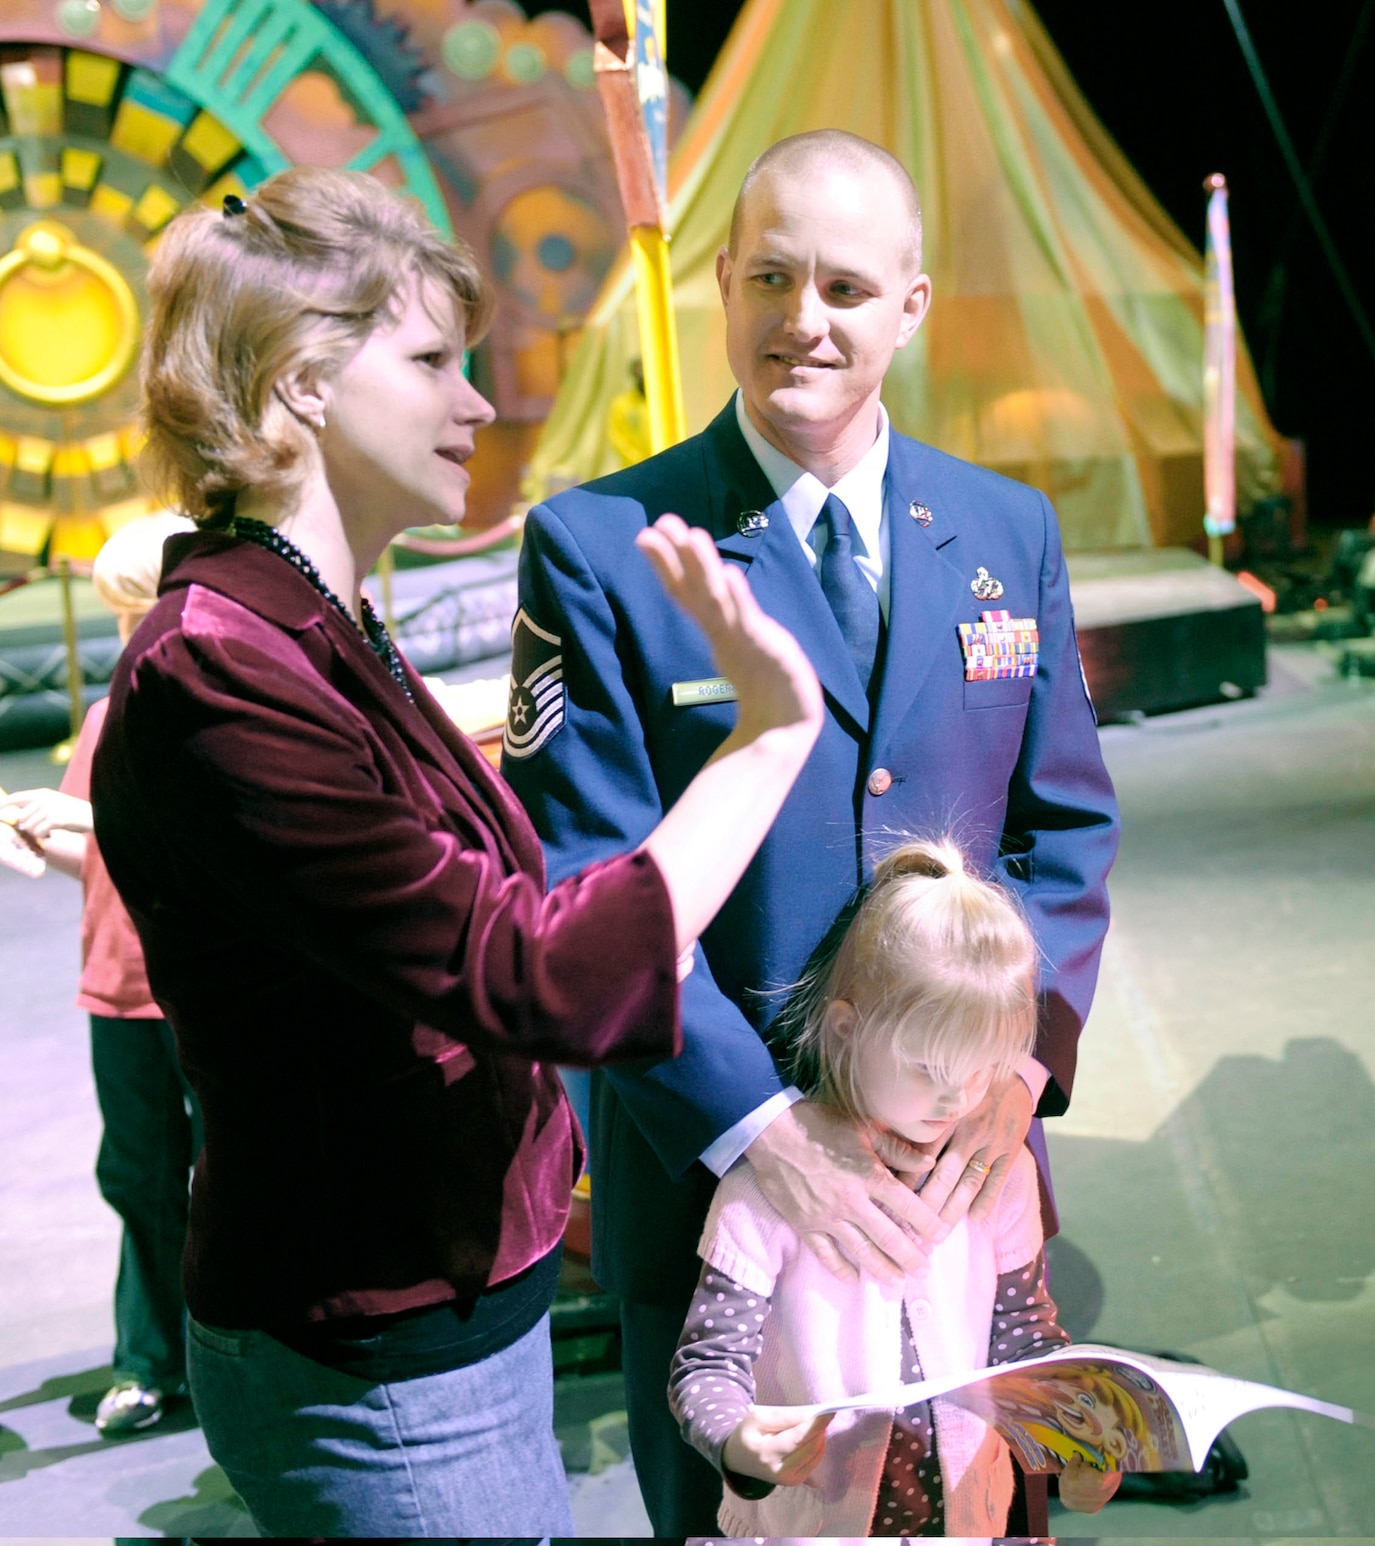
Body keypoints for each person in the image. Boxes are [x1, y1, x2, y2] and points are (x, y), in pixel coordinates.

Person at [88, 167, 822, 1537]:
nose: (477, 402)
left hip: (446, 1313)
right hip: (376, 1347)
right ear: (302, 382)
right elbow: (530, 972)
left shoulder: (315, 626)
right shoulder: (222, 672)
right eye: (431, 360)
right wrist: (771, 739)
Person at [503, 128, 1120, 1531]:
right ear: (718, 282)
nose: (804, 319)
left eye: (846, 285)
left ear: (910, 304)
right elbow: (590, 886)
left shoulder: (1004, 528)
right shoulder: (605, 543)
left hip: (960, 1166)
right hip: (724, 1189)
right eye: (771, 276)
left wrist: (1020, 1062)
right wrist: (760, 1127)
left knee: (979, 1500)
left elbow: (1065, 828)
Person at [667, 839, 1120, 1534]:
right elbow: (708, 1362)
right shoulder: (768, 1190)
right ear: (847, 1029)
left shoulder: (1001, 1177)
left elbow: (1024, 1344)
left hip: (971, 1518)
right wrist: (740, 1441)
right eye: (925, 1069)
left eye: (982, 1071)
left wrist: (1078, 1451)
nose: (954, 1101)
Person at [0, 513, 198, 1434]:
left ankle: (235, 1355)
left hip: (209, 984)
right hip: (120, 985)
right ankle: (149, 1359)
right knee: (139, 1174)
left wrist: (80, 822)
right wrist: (47, 828)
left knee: (234, 1172)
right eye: (120, 614)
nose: (132, 635)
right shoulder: (103, 717)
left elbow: (198, 845)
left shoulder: (223, 709)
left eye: (141, 609)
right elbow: (106, 859)